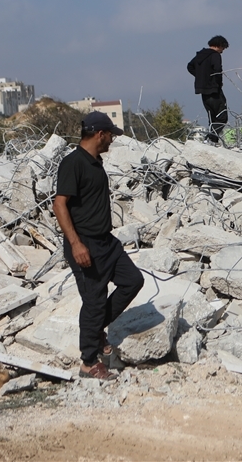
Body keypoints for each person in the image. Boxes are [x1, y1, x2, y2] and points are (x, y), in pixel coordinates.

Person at [53, 111, 144, 380]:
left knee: (133, 280)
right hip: (85, 244)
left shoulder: (95, 162)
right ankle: (89, 363)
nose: (112, 141)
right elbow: (59, 204)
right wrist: (76, 244)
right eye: (110, 136)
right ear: (99, 134)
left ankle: (95, 329)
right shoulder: (73, 163)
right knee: (93, 302)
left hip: (106, 241)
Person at [187, 35, 229, 143]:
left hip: (202, 91)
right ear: (219, 46)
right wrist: (218, 83)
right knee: (222, 116)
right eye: (222, 48)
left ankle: (212, 142)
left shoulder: (201, 55)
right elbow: (218, 70)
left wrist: (201, 77)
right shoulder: (215, 55)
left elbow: (190, 66)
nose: (222, 51)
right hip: (214, 90)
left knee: (212, 117)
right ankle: (211, 138)